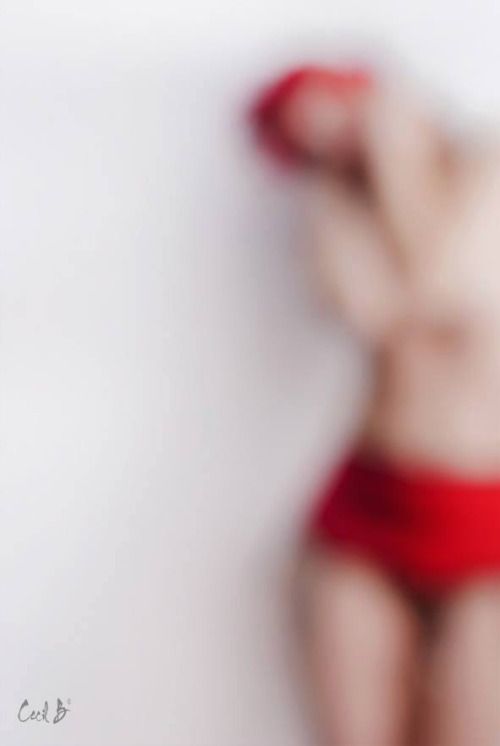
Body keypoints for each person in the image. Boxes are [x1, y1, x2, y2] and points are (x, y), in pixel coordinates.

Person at [251, 65, 500, 746]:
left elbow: (450, 288)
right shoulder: (334, 202)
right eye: (305, 141)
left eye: (329, 117)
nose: (328, 144)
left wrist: (399, 157)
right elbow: (374, 312)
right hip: (368, 507)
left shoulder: (489, 167)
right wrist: (372, 174)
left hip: (486, 517)